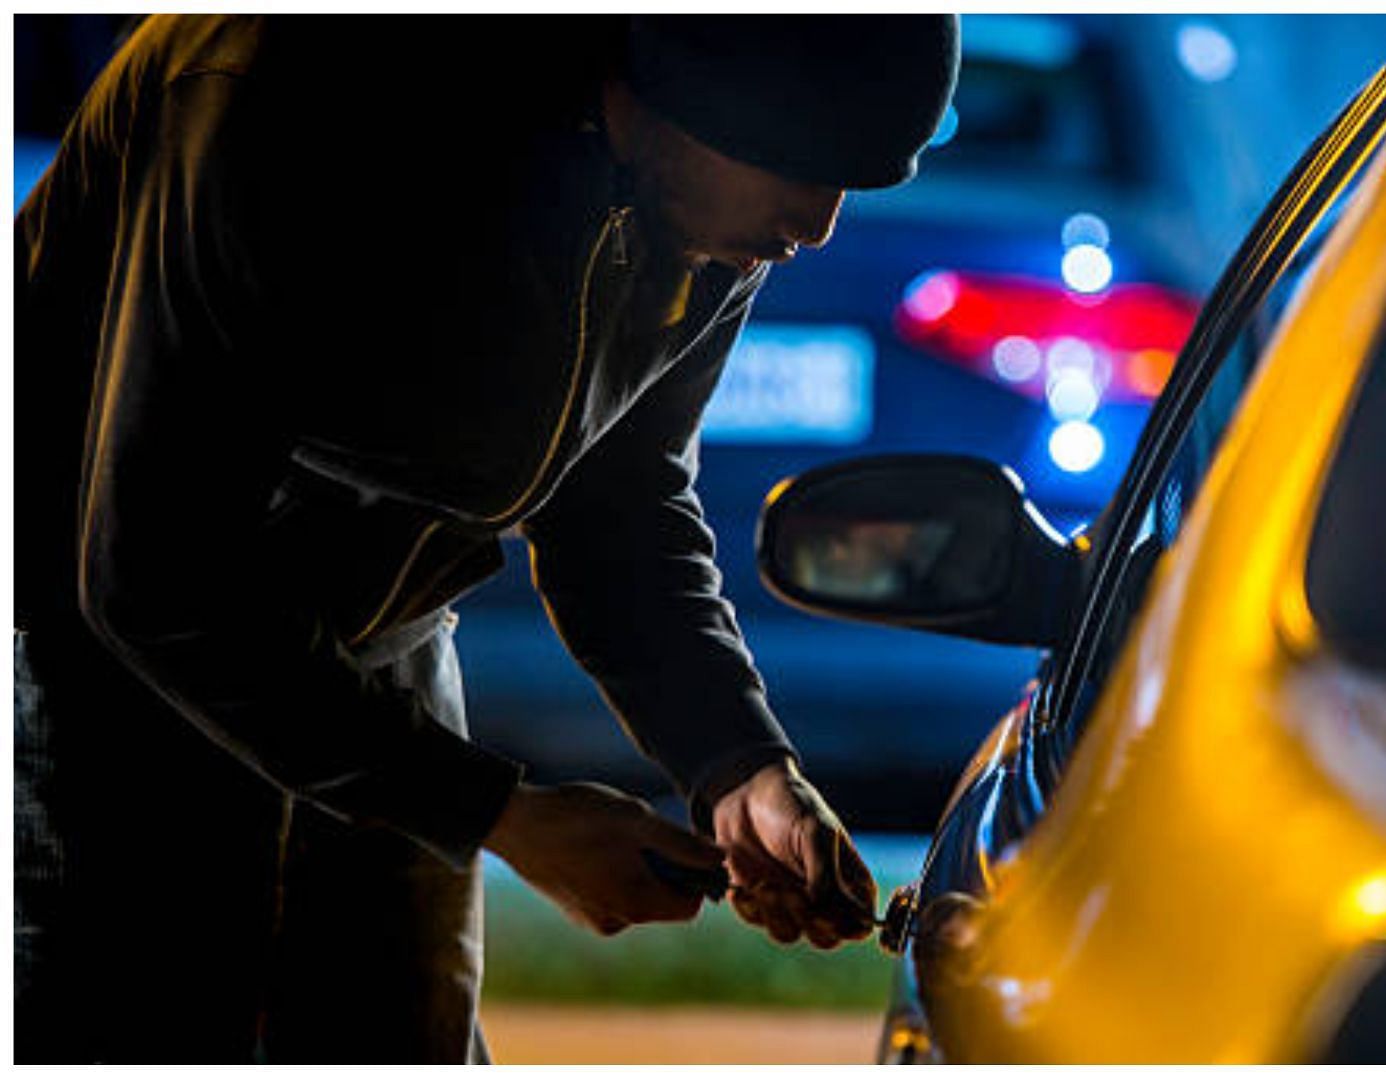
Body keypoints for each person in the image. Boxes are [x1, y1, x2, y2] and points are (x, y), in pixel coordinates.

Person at [13, 14, 960, 1063]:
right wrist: (501, 814)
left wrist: (738, 765)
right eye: (802, 164)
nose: (818, 225)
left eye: (855, 179)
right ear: (684, 80)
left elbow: (621, 503)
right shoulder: (286, 90)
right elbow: (157, 572)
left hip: (383, 656)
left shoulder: (706, 206)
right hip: (87, 674)